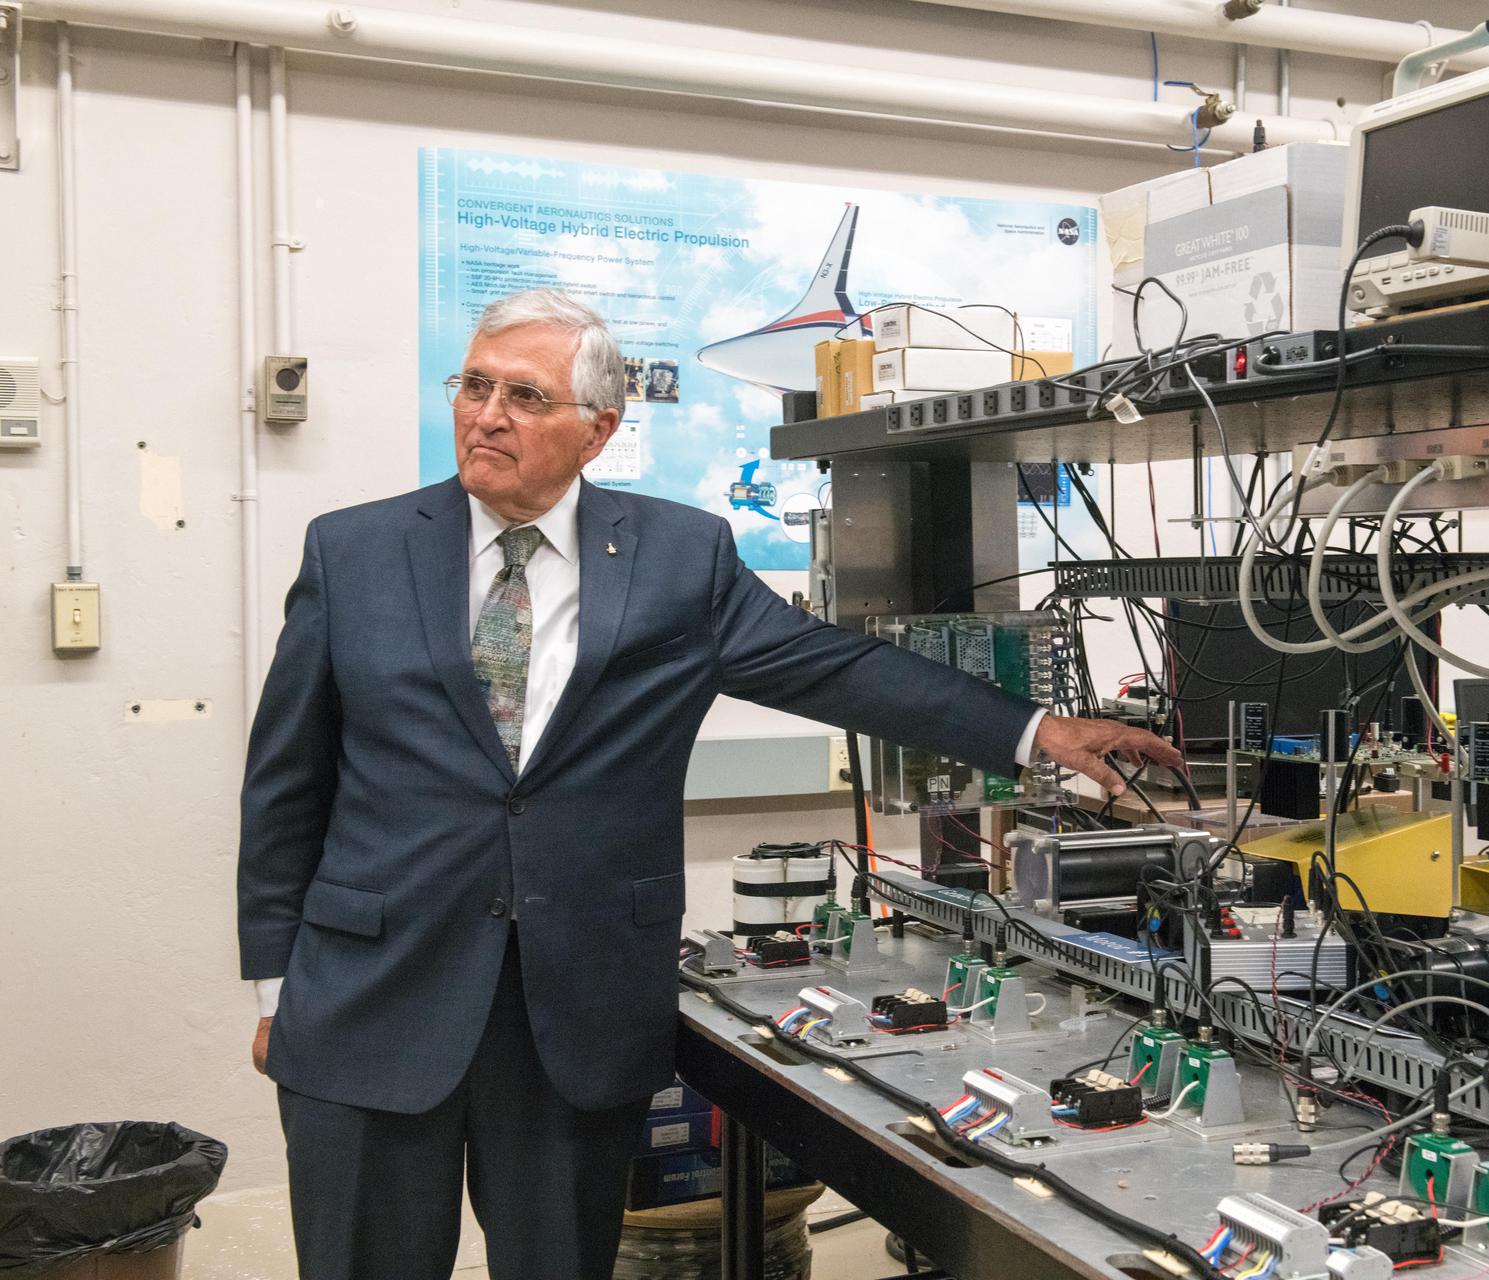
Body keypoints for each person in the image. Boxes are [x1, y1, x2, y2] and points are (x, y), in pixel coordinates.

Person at [237, 288, 1183, 1280]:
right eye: (474, 384)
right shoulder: (354, 551)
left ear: (598, 428)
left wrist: (1033, 726)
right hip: (369, 994)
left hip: (570, 1005)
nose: (487, 414)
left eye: (524, 394)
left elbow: (841, 668)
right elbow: (284, 778)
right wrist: (274, 982)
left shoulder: (676, 559)